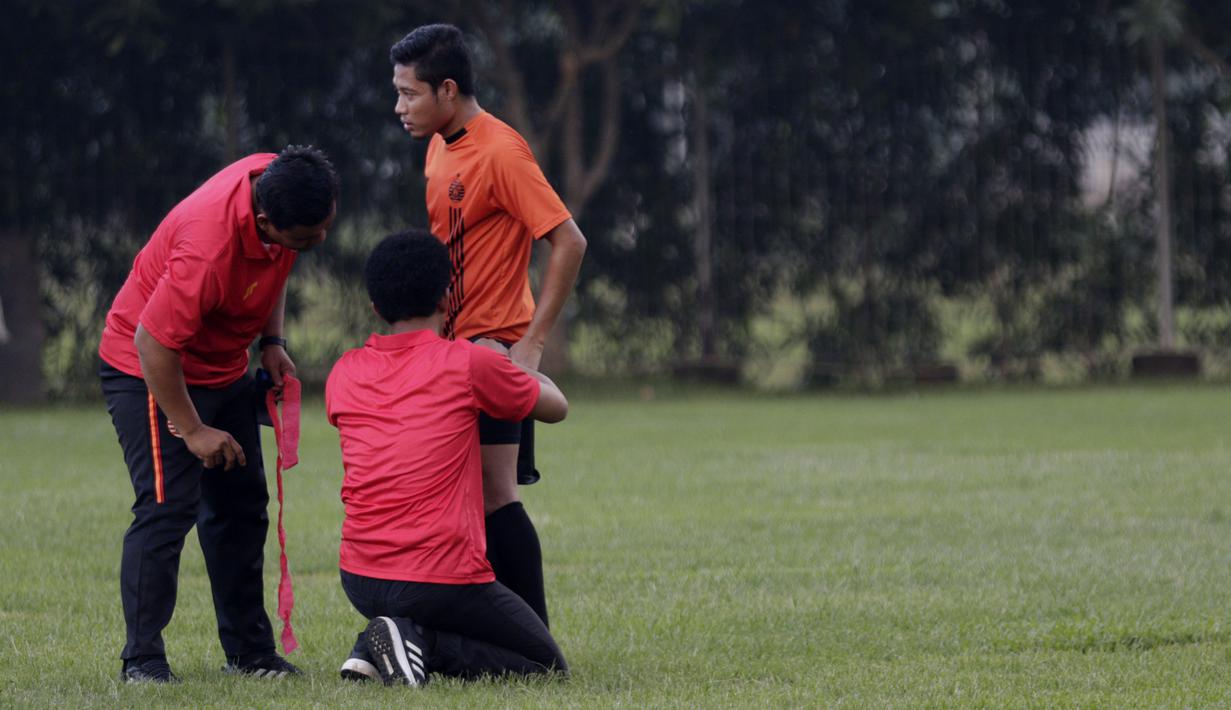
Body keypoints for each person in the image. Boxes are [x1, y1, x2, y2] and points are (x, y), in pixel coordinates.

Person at [98, 146, 339, 683]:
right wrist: (193, 430)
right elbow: (152, 343)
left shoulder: (284, 180)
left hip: (223, 367)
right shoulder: (207, 248)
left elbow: (277, 260)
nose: (317, 242)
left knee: (242, 508)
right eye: (306, 237)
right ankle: (142, 662)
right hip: (149, 369)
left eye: (323, 228)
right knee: (166, 509)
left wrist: (271, 340)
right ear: (263, 222)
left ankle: (250, 656)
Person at [390, 22, 587, 630]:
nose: (399, 107)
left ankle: (534, 641)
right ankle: (489, 631)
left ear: (447, 89)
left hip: (492, 346)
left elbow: (568, 241)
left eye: (409, 93)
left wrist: (529, 344)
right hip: (450, 351)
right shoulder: (438, 145)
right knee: (466, 499)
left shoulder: (501, 151)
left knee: (496, 494)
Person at [327, 230, 569, 685]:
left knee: (434, 611)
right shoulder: (469, 363)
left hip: (359, 577)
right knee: (545, 667)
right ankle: (419, 642)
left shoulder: (344, 372)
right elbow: (557, 408)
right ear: (447, 297)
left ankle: (376, 644)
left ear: (375, 308)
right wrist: (511, 361)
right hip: (440, 578)